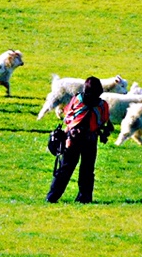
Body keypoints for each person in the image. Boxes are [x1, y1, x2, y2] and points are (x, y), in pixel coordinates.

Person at [47, 75, 110, 204]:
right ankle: (76, 198)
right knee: (78, 169)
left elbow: (69, 115)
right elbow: (102, 120)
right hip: (82, 140)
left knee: (73, 169)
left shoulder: (82, 100)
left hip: (81, 139)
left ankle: (59, 197)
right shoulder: (99, 104)